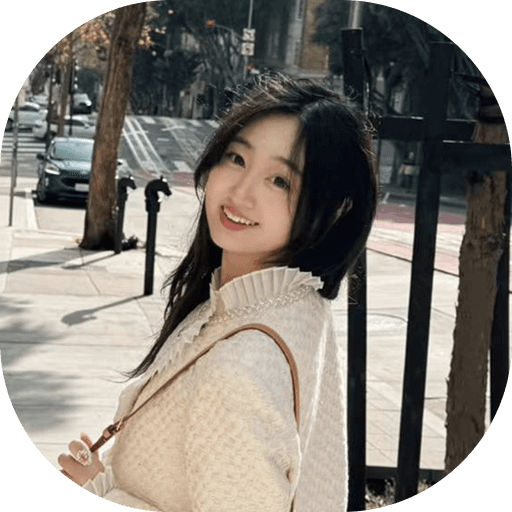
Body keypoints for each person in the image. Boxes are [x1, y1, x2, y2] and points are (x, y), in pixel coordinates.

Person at [58, 73, 378, 512]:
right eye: (237, 158)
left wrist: (100, 491)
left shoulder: (240, 366)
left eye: (280, 181)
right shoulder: (292, 303)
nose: (240, 193)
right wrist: (107, 479)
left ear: (333, 211)